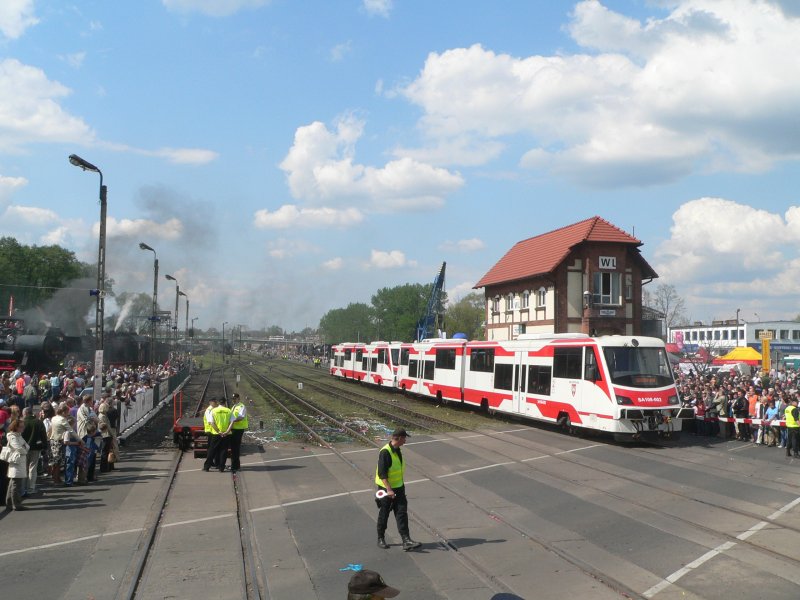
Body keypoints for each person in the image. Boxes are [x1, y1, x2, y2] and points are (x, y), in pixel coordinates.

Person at [375, 427, 421, 551]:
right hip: (386, 489)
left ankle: (406, 540)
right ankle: (381, 538)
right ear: (399, 438)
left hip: (399, 488)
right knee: (384, 513)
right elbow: (382, 473)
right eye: (404, 438)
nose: (405, 441)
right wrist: (389, 490)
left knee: (401, 513)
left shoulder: (397, 450)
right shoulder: (385, 452)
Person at [4, 418, 30, 510]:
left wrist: (24, 448)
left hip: (19, 462)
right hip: (16, 462)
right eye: (21, 427)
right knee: (15, 484)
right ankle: (16, 504)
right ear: (16, 427)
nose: (23, 428)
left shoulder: (18, 435)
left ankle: (10, 503)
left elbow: (26, 446)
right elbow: (19, 448)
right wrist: (24, 449)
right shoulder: (13, 436)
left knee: (13, 484)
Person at [21, 406, 47, 495]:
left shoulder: (22, 422)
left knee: (24, 468)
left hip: (23, 448)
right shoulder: (38, 422)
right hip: (36, 447)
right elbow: (44, 435)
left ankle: (23, 488)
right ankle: (31, 488)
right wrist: (45, 446)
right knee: (33, 468)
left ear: (25, 413)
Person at [225, 393, 248, 471]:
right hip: (234, 429)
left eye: (235, 398)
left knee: (235, 448)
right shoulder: (234, 406)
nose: (233, 400)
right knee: (233, 447)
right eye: (233, 399)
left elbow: (241, 417)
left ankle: (235, 466)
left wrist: (232, 421)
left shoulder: (242, 406)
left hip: (238, 429)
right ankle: (235, 465)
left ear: (238, 398)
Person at [211, 398, 232, 472]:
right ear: (225, 403)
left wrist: (219, 432)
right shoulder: (229, 410)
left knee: (213, 449)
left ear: (219, 402)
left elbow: (212, 423)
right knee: (224, 451)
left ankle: (208, 466)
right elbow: (231, 423)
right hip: (226, 434)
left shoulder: (214, 410)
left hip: (216, 434)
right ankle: (221, 468)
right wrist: (226, 432)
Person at [202, 398, 220, 472]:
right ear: (211, 402)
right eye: (215, 402)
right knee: (212, 449)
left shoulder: (212, 409)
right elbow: (211, 422)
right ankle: (209, 464)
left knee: (212, 448)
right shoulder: (210, 410)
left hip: (212, 431)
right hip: (211, 431)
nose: (216, 404)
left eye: (216, 402)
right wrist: (218, 430)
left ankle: (213, 463)